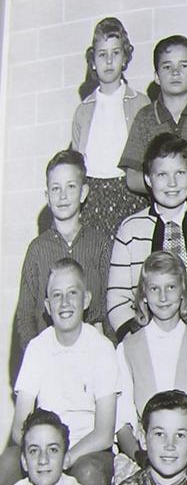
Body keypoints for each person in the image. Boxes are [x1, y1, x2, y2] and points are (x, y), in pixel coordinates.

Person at [4, 259, 118, 485]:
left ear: (86, 299)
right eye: (56, 295)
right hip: (46, 445)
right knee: (8, 464)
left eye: (72, 293)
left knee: (88, 473)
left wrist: (66, 457)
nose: (64, 303)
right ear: (47, 305)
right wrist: (39, 453)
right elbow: (18, 427)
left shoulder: (102, 349)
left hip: (88, 450)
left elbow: (104, 433)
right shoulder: (37, 348)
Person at [113, 251, 187, 484]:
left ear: (183, 292)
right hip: (142, 458)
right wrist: (142, 459)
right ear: (143, 296)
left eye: (171, 287)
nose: (163, 297)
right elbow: (122, 422)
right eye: (154, 289)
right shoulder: (127, 349)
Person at [107, 133, 187, 339]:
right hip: (149, 341)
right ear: (148, 179)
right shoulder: (131, 230)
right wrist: (135, 340)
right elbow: (117, 297)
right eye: (162, 175)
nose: (172, 183)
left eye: (180, 173)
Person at [14, 150, 110, 362]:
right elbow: (25, 314)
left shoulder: (100, 243)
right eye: (56, 188)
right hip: (50, 359)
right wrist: (36, 359)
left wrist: (109, 356)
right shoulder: (37, 250)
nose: (63, 195)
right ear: (47, 197)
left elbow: (109, 306)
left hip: (92, 357)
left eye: (71, 187)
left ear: (84, 192)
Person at [119, 35, 187, 213]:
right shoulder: (145, 117)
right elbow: (132, 179)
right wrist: (179, 187)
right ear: (156, 76)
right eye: (167, 66)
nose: (175, 72)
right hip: (160, 218)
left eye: (184, 65)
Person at [70, 17, 149, 238]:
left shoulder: (141, 103)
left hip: (129, 192)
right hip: (92, 195)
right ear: (93, 61)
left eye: (115, 53)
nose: (109, 61)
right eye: (102, 54)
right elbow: (77, 162)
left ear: (125, 58)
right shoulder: (82, 111)